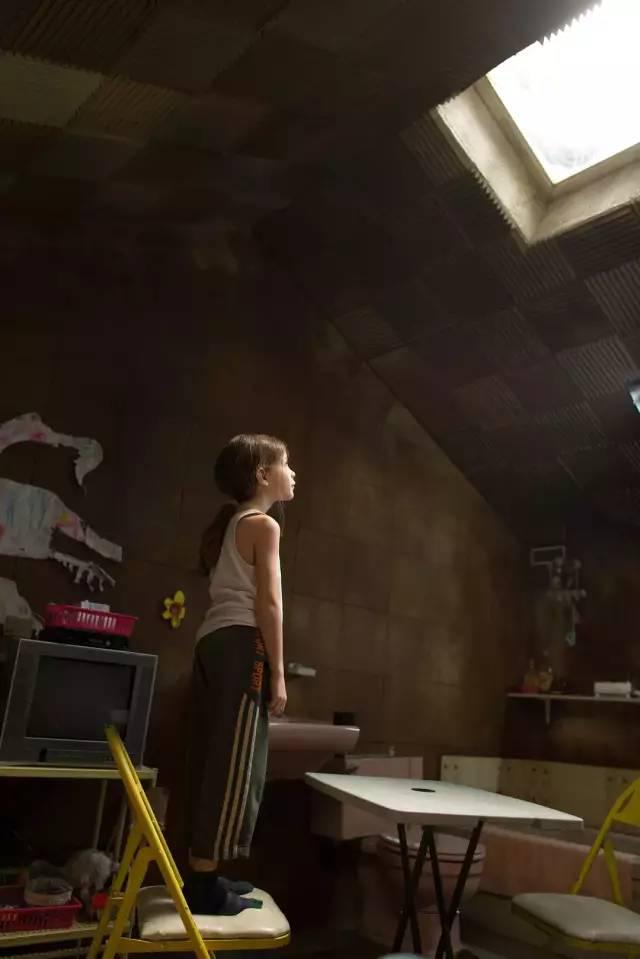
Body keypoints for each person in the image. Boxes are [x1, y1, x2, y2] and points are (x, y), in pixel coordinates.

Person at [183, 433, 296, 916]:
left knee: (215, 757)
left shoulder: (232, 524)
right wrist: (278, 673)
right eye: (286, 464)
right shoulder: (263, 525)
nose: (293, 473)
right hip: (241, 644)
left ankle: (205, 872)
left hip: (212, 642)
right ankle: (203, 885)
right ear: (263, 475)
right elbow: (269, 603)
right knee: (236, 765)